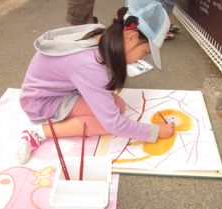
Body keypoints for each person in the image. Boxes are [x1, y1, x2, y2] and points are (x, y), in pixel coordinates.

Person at [17, 0, 175, 164]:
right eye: (145, 52)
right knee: (106, 123)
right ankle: (39, 132)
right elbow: (114, 125)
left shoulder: (98, 31)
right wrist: (155, 132)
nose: (142, 58)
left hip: (52, 92)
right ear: (131, 37)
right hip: (40, 104)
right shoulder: (90, 64)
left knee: (118, 106)